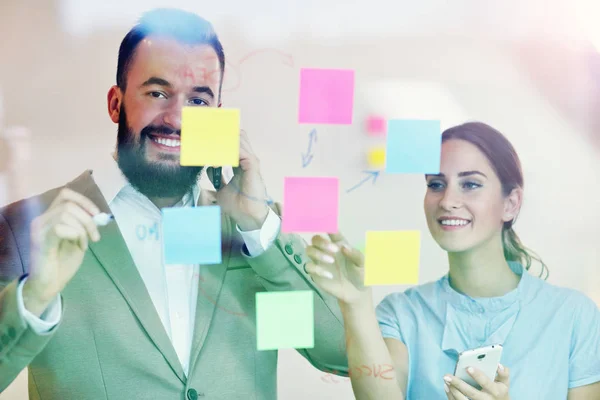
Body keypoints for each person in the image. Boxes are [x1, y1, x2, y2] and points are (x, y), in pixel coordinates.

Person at [0, 8, 347, 399]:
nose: (176, 118)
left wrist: (257, 223)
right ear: (116, 104)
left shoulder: (253, 235)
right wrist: (35, 295)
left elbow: (339, 353)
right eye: (157, 93)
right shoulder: (26, 228)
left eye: (198, 101)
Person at [304, 122, 600, 399]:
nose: (447, 201)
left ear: (510, 204)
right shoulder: (402, 315)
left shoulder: (574, 317)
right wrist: (356, 305)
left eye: (470, 184)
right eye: (435, 184)